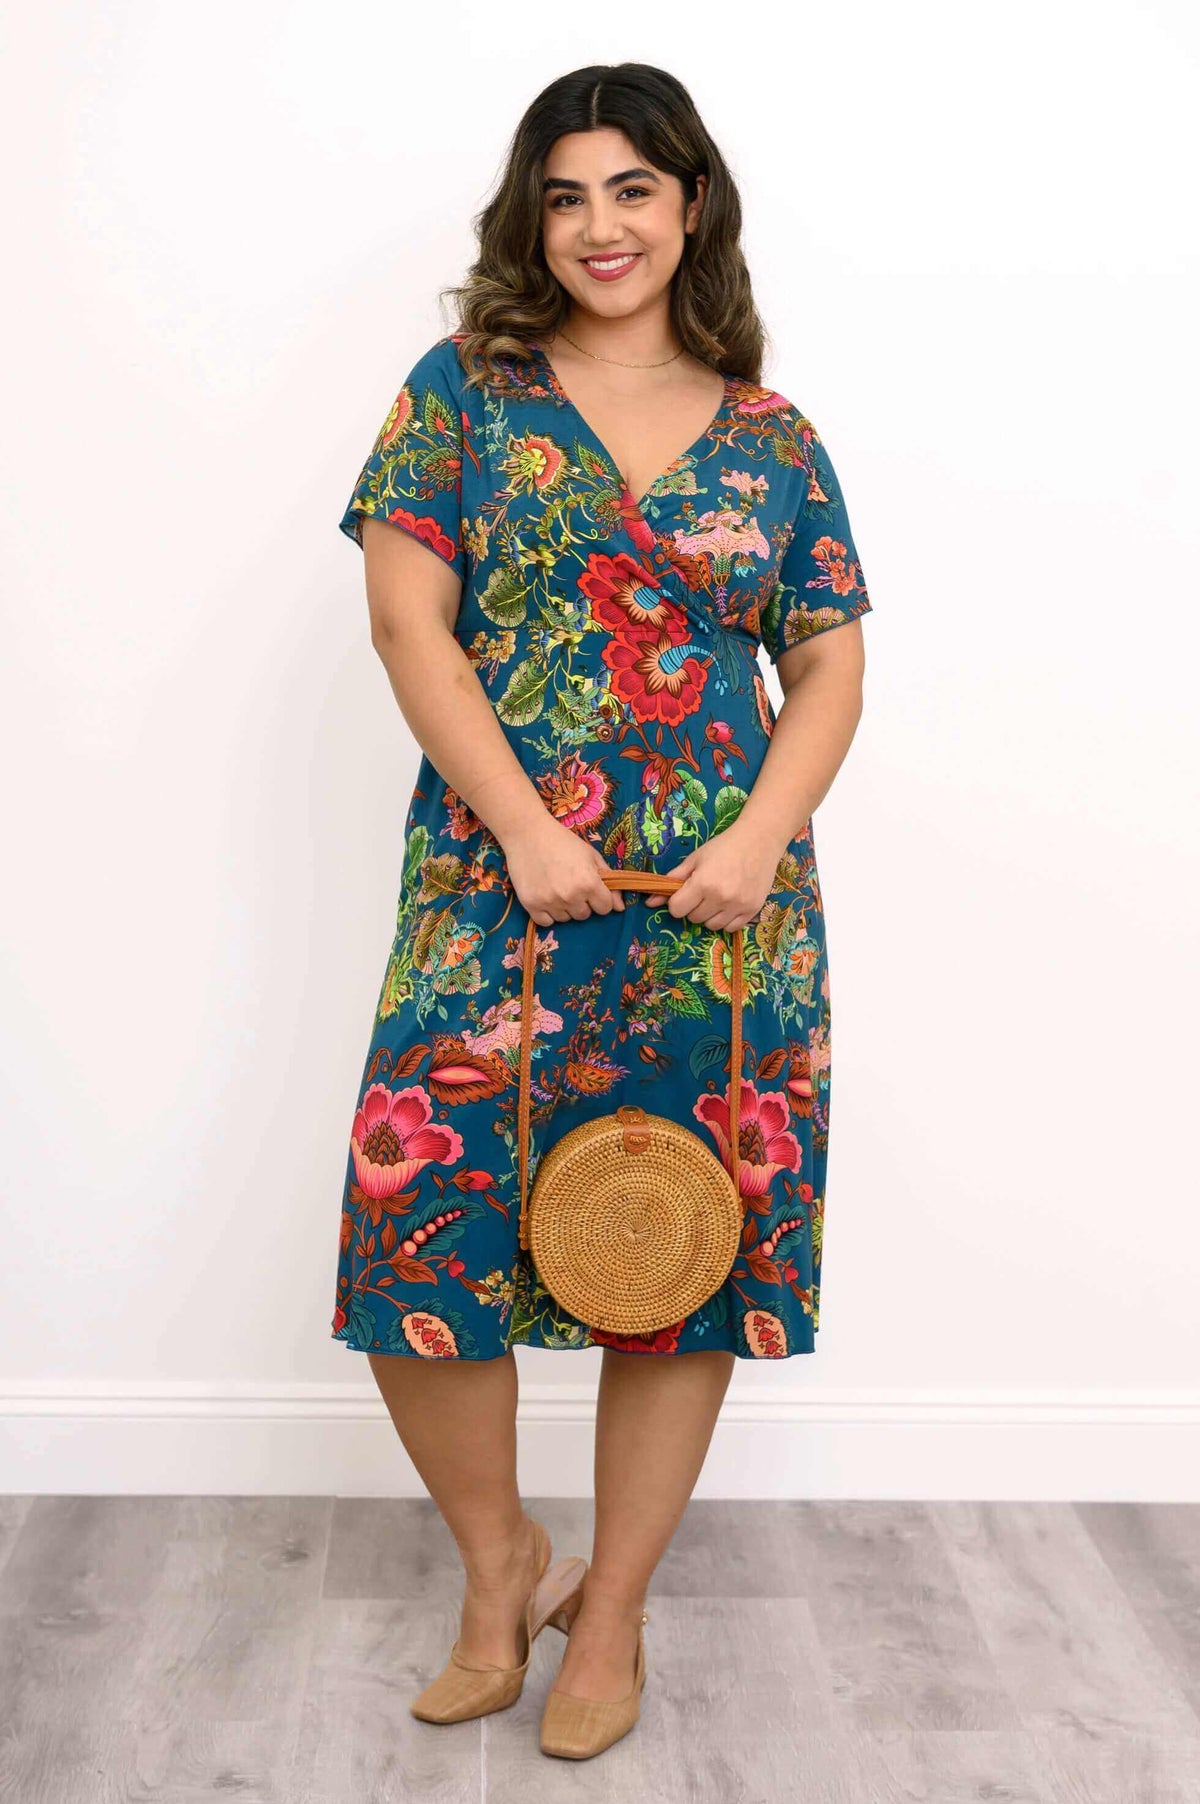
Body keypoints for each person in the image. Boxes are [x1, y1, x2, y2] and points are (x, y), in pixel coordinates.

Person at [331, 61, 873, 1760]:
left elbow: (832, 663)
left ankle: (612, 1615)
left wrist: (758, 844)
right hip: (495, 888)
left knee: (679, 1261)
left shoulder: (774, 435)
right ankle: (502, 1565)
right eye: (564, 196)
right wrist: (523, 828)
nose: (599, 228)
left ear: (688, 204)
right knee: (419, 1232)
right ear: (532, 218)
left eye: (631, 190)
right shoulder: (464, 396)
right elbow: (409, 628)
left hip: (716, 914)